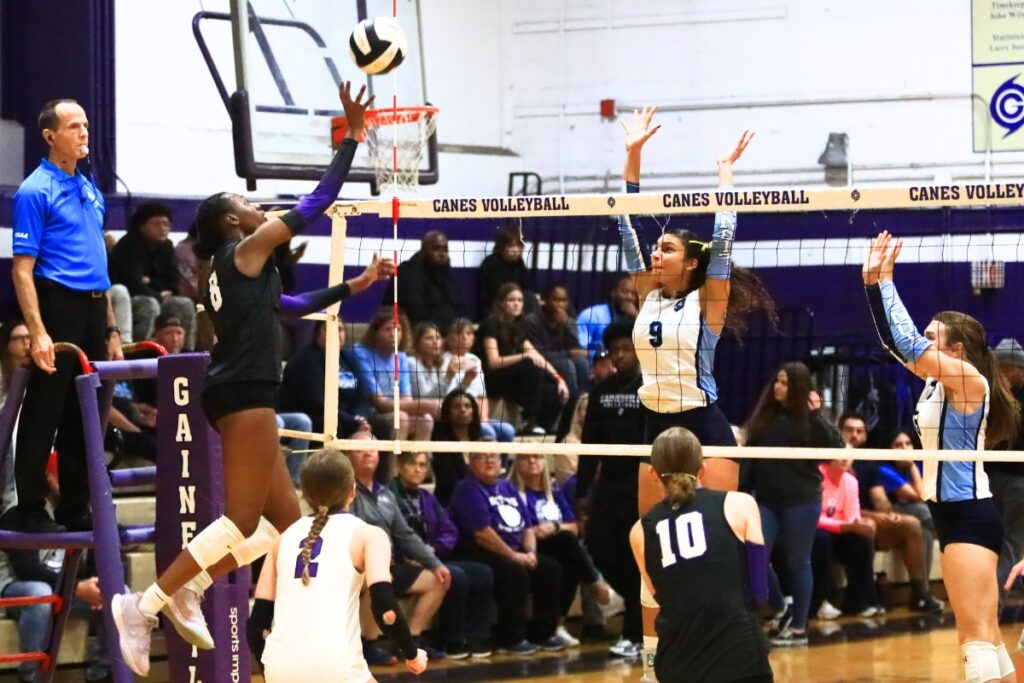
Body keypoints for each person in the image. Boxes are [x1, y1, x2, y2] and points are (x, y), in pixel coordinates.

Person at [110, 82, 393, 676]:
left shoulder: (241, 269)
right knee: (241, 520)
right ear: (230, 220)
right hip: (243, 393)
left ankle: (300, 650)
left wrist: (355, 287)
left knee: (286, 529)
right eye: (246, 200)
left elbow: (288, 305)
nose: (259, 205)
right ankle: (145, 604)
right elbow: (317, 202)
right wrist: (352, 136)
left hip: (240, 391)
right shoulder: (246, 248)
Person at [863, 230, 1020, 682]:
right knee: (986, 636)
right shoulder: (937, 380)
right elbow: (899, 344)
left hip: (968, 513)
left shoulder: (970, 380)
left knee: (973, 641)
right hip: (951, 512)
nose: (924, 342)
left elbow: (908, 343)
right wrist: (874, 284)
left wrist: (886, 280)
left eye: (934, 338)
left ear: (956, 350)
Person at [617, 107, 770, 488]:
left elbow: (723, 240)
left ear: (688, 263)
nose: (655, 253)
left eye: (666, 249)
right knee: (653, 532)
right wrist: (633, 154)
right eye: (656, 247)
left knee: (719, 531)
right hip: (654, 422)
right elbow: (626, 223)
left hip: (703, 423)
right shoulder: (648, 291)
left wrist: (725, 170)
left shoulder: (708, 299)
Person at [11, 98, 124, 533]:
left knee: (87, 412)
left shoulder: (90, 187)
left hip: (96, 306)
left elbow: (99, 261)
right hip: (57, 303)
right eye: (73, 126)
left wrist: (111, 325)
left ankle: (75, 507)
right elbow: (23, 270)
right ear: (49, 136)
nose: (83, 133)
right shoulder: (34, 190)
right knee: (45, 411)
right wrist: (39, 332)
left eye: (86, 126)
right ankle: (31, 509)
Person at [248, 448, 427, 681]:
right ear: (353, 491)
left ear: (305, 494)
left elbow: (256, 626)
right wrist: (412, 654)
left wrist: (272, 672)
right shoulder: (368, 535)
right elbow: (386, 610)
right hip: (336, 664)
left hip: (279, 665)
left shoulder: (281, 539)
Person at [630, 427, 773, 683]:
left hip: (678, 665)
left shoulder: (640, 530)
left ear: (652, 473)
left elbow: (659, 594)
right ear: (702, 469)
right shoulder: (740, 504)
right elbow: (761, 590)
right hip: (740, 658)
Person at [740, 362, 844, 647]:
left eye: (784, 383)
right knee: (755, 556)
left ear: (797, 387)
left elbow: (836, 449)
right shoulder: (764, 418)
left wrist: (817, 415)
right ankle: (781, 608)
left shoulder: (810, 421)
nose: (777, 387)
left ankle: (799, 628)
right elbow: (751, 458)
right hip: (767, 500)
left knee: (798, 561)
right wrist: (744, 489)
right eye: (777, 381)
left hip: (801, 500)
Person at [343, 429, 449, 662]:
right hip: (357, 568)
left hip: (390, 566)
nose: (367, 454)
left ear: (379, 455)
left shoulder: (385, 494)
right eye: (359, 450)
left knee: (438, 579)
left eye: (371, 449)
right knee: (376, 577)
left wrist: (435, 563)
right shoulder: (343, 492)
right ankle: (368, 645)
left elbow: (405, 535)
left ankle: (410, 642)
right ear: (348, 455)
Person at [448, 447, 565, 654]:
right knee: (513, 570)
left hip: (513, 550)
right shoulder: (467, 489)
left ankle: (543, 633)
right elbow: (482, 533)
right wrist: (514, 555)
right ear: (471, 464)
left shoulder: (507, 488)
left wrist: (531, 553)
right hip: (477, 551)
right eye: (481, 456)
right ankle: (511, 638)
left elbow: (527, 526)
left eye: (493, 456)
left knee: (550, 568)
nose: (489, 461)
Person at [577, 318, 645, 656]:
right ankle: (637, 602)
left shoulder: (652, 389)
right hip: (608, 487)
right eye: (614, 350)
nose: (618, 356)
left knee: (634, 560)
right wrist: (581, 492)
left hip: (641, 487)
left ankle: (635, 634)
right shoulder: (601, 392)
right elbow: (590, 445)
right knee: (599, 548)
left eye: (625, 349)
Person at [389, 451, 494, 658]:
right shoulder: (388, 494)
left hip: (431, 556)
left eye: (422, 465)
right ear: (400, 466)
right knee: (454, 575)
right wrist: (408, 555)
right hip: (404, 559)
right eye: (412, 463)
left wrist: (435, 548)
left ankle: (476, 637)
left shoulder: (426, 497)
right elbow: (391, 533)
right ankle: (451, 640)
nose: (418, 469)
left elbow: (450, 530)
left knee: (483, 572)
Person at [508, 452, 610, 648]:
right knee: (566, 542)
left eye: (537, 457)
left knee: (568, 558)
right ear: (517, 464)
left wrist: (553, 527)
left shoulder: (554, 491)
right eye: (525, 458)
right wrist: (536, 531)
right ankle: (596, 583)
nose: (532, 461)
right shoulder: (511, 492)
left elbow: (574, 525)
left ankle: (557, 626)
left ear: (544, 463)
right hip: (527, 546)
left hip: (556, 544)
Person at [842, 413, 941, 613]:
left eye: (859, 431)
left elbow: (879, 498)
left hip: (871, 519)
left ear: (865, 436)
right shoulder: (832, 459)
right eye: (849, 430)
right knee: (921, 512)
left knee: (914, 525)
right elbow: (838, 506)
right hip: (842, 521)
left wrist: (888, 512)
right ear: (839, 432)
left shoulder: (868, 463)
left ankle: (920, 594)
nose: (854, 435)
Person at [477, 283, 568, 435]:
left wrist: (559, 379)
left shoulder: (518, 327)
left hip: (511, 380)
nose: (516, 304)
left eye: (520, 300)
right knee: (529, 364)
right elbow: (493, 362)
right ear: (501, 302)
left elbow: (537, 356)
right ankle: (529, 420)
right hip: (490, 379)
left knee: (553, 390)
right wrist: (524, 356)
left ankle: (541, 426)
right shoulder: (491, 323)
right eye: (511, 300)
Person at [279, 319, 390, 439]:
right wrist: (351, 420)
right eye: (328, 329)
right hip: (316, 417)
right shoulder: (305, 361)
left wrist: (360, 418)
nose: (335, 333)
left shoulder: (347, 358)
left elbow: (361, 396)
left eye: (340, 329)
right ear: (316, 334)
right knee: (334, 425)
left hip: (348, 417)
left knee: (382, 425)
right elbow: (317, 403)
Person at [108, 200, 196, 347]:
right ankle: (140, 353)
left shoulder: (167, 246)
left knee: (184, 304)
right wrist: (158, 291)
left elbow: (173, 281)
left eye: (166, 225)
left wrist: (150, 282)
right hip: (131, 298)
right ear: (142, 226)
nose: (163, 229)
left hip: (157, 295)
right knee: (149, 304)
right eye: (157, 225)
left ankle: (188, 354)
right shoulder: (128, 245)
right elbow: (132, 283)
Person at [352, 308, 437, 443]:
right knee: (401, 418)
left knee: (425, 420)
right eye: (388, 329)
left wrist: (425, 406)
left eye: (398, 329)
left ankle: (416, 462)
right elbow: (380, 403)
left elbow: (406, 399)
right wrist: (424, 405)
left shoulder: (401, 357)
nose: (393, 334)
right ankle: (394, 463)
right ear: (375, 332)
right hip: (367, 414)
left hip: (395, 411)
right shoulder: (359, 353)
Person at [812, 458, 879, 619]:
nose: (845, 458)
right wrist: (845, 526)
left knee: (862, 540)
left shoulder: (850, 481)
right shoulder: (815, 476)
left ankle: (859, 602)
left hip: (841, 530)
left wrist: (861, 523)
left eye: (849, 454)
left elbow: (852, 515)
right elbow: (813, 517)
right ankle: (821, 602)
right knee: (821, 540)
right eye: (841, 453)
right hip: (815, 530)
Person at [523, 284, 591, 440]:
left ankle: (582, 409)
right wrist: (568, 353)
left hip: (563, 361)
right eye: (556, 300)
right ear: (545, 300)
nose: (560, 305)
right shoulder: (532, 321)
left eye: (563, 300)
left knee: (582, 364)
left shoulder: (567, 319)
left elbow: (577, 346)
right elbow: (538, 354)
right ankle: (569, 414)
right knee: (569, 365)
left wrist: (567, 324)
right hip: (539, 366)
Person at [442, 317, 515, 442]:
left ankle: (499, 462)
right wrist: (464, 383)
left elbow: (482, 396)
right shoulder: (443, 360)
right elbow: (446, 396)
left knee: (507, 430)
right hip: (456, 415)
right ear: (448, 338)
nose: (464, 337)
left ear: (473, 339)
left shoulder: (475, 360)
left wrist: (484, 420)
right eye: (459, 333)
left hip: (474, 416)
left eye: (469, 333)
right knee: (488, 432)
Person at [989, 338, 1024, 594]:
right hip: (988, 479)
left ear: (1015, 370)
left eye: (1002, 369)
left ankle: (992, 607)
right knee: (995, 543)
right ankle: (989, 610)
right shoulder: (989, 395)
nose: (998, 374)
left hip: (1018, 483)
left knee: (1010, 544)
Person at [382, 230, 462, 329]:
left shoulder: (446, 273)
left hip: (443, 329)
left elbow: (457, 306)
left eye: (445, 249)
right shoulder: (408, 272)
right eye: (436, 249)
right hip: (412, 331)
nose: (442, 254)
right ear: (423, 250)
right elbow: (415, 313)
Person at [429, 390, 487, 507]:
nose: (463, 410)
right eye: (456, 406)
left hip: (481, 499)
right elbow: (450, 483)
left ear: (474, 411)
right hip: (451, 503)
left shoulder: (481, 440)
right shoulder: (441, 444)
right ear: (447, 413)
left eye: (467, 406)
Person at [478, 223, 534, 318]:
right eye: (511, 246)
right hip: (495, 311)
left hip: (517, 311)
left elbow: (526, 289)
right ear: (501, 246)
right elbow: (485, 295)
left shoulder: (520, 264)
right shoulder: (490, 264)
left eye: (519, 246)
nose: (515, 250)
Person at [576, 275, 639, 360]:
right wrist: (601, 356)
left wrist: (636, 316)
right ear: (613, 293)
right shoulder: (592, 314)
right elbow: (579, 349)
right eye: (624, 292)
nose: (629, 297)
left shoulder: (640, 317)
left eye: (633, 294)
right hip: (597, 364)